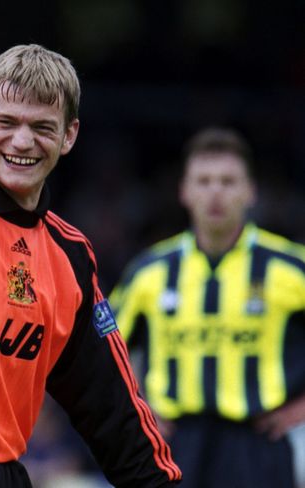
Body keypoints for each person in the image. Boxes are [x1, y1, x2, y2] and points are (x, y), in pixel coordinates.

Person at [0, 44, 181, 487]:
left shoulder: (71, 255)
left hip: (4, 474)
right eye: (7, 122)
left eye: (43, 127)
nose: (22, 141)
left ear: (69, 136)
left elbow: (113, 406)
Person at [109, 127, 305, 488]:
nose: (215, 192)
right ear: (184, 190)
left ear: (250, 191)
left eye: (228, 181)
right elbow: (101, 352)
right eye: (204, 181)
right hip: (174, 443)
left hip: (259, 445)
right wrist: (137, 404)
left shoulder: (291, 268)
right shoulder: (150, 271)